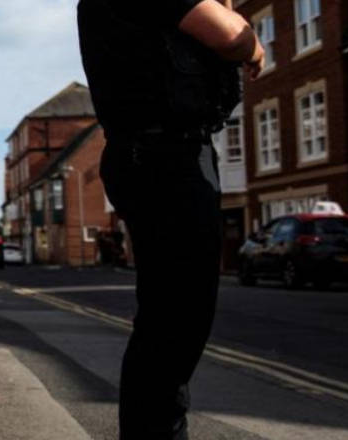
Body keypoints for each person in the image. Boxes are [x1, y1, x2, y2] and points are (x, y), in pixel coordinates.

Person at [76, 0, 264, 438]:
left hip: (153, 155)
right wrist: (253, 48)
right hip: (167, 157)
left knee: (168, 322)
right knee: (176, 325)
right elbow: (231, 37)